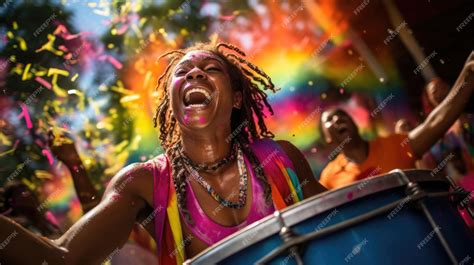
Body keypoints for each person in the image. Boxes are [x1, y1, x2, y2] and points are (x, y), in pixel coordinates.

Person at [0, 42, 326, 265]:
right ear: (171, 102)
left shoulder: (280, 159)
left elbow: (350, 219)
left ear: (238, 99)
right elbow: (65, 259)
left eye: (211, 69)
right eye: (183, 73)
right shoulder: (143, 182)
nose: (195, 74)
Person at [318, 55, 474, 190]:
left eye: (342, 115)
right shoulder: (328, 180)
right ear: (327, 139)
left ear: (355, 124)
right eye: (329, 120)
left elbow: (436, 122)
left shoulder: (395, 145)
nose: (338, 119)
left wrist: (468, 74)